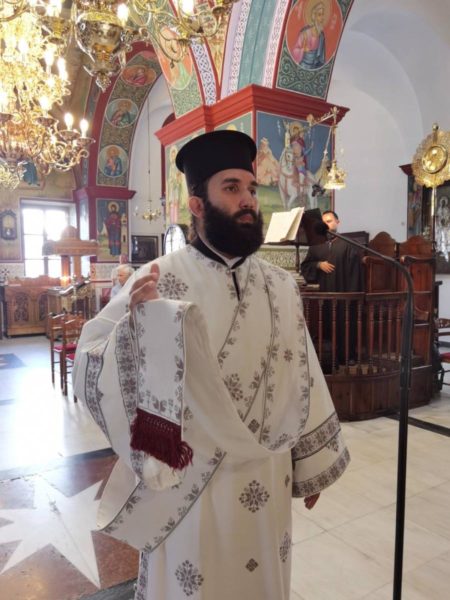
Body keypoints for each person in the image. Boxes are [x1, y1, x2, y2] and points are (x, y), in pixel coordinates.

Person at [73, 131, 349, 600]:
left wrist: (310, 459)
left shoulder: (281, 286)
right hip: (190, 479)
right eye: (231, 188)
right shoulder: (157, 278)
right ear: (197, 204)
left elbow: (301, 372)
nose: (248, 200)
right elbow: (90, 354)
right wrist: (132, 333)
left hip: (266, 472)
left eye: (250, 188)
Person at [301, 210, 362, 365]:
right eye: (324, 222)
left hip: (344, 295)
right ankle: (328, 359)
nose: (326, 224)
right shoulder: (316, 246)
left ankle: (347, 357)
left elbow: (356, 272)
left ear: (337, 222)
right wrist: (318, 264)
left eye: (329, 221)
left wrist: (352, 297)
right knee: (327, 326)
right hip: (325, 295)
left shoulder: (349, 245)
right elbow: (305, 266)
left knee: (346, 326)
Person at [292, 0, 328, 70]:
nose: (322, 18)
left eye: (322, 14)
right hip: (303, 66)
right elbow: (295, 51)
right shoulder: (305, 33)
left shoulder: (321, 36)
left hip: (315, 67)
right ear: (314, 16)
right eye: (319, 15)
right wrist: (303, 50)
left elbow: (321, 58)